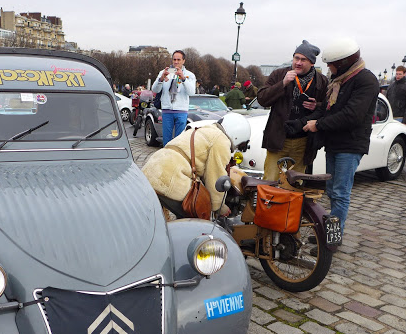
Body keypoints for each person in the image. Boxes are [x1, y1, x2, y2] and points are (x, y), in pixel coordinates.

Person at [303, 37, 378, 234]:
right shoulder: (339, 81)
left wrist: (318, 125)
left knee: (340, 192)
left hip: (350, 145)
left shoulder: (365, 80)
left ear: (342, 63)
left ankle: (333, 236)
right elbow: (332, 109)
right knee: (331, 191)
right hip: (335, 143)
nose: (329, 68)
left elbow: (352, 115)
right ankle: (330, 231)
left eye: (331, 64)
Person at [142, 114, 249, 218]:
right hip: (167, 179)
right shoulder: (221, 141)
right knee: (197, 217)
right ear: (237, 136)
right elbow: (215, 176)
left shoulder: (204, 129)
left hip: (150, 170)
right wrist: (218, 207)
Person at [257, 40, 328, 181]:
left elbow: (327, 108)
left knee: (296, 182)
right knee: (270, 180)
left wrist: (317, 105)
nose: (298, 63)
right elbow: (262, 99)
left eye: (303, 59)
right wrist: (282, 83)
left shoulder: (321, 81)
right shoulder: (279, 74)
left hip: (303, 140)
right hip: (278, 137)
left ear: (312, 63)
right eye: (296, 58)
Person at [151, 50, 196, 146]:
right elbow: (155, 89)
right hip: (167, 109)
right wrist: (161, 79)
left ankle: (178, 158)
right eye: (174, 59)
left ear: (183, 61)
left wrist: (183, 78)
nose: (176, 62)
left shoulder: (190, 75)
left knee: (179, 140)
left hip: (181, 110)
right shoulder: (165, 72)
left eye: (178, 60)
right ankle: (167, 158)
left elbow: (191, 92)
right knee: (166, 139)